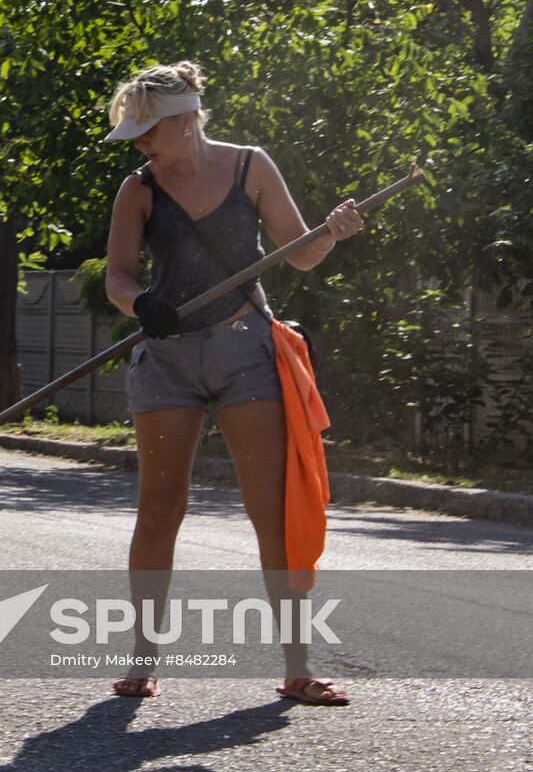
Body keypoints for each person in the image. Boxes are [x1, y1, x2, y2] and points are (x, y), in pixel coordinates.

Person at [103, 61, 363, 704]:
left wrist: (331, 235)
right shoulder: (138, 189)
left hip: (247, 351)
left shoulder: (250, 166)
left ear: (185, 118)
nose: (140, 143)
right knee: (160, 508)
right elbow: (118, 277)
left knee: (269, 511)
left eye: (148, 130)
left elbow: (298, 252)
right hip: (167, 357)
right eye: (134, 134)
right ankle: (142, 660)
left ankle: (297, 668)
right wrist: (142, 306)